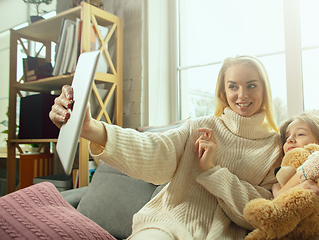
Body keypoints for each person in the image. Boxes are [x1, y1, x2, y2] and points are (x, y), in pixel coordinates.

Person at [50, 55, 284, 240]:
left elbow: (260, 210)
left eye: (251, 85)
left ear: (264, 90)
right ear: (223, 92)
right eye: (233, 86)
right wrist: (92, 129)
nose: (241, 95)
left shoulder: (275, 148)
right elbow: (155, 149)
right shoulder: (200, 127)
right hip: (166, 224)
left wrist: (213, 171)